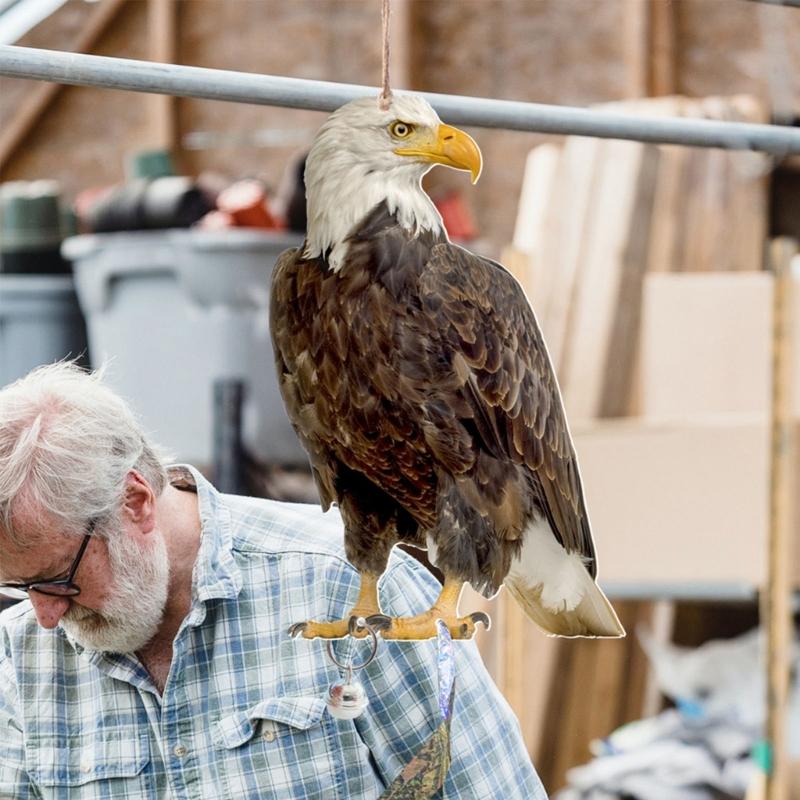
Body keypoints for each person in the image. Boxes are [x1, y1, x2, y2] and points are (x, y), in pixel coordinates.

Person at [0, 362, 547, 799]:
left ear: (135, 501)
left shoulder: (344, 589)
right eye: (21, 587)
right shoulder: (21, 653)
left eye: (58, 579)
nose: (45, 615)